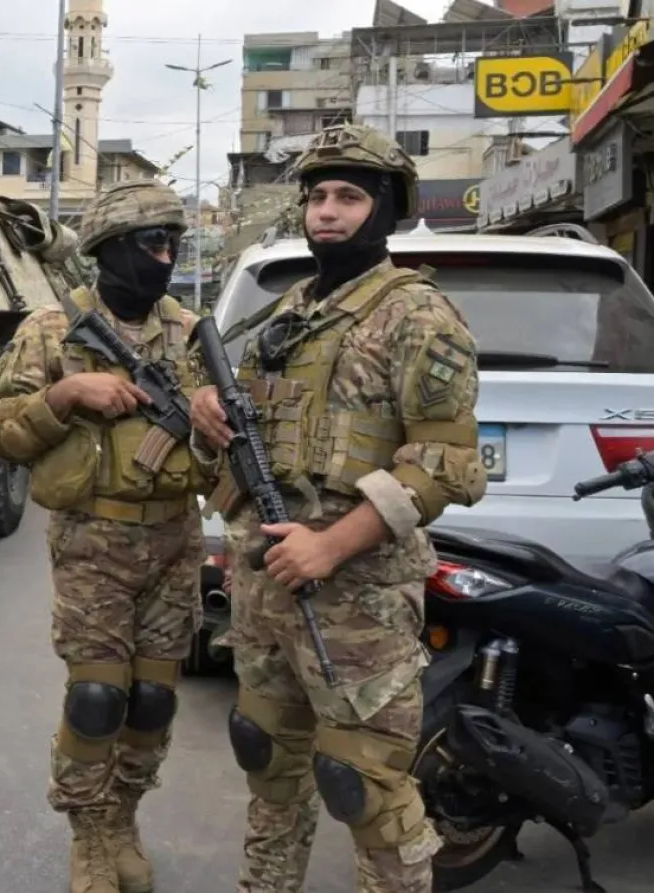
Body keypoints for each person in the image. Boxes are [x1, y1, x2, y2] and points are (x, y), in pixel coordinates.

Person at [187, 123, 487, 893]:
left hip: (355, 596)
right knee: (268, 759)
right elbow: (238, 410)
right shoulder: (283, 315)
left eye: (349, 197)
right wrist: (205, 406)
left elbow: (447, 466)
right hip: (264, 586)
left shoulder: (417, 315)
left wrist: (332, 543)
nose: (327, 211)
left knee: (368, 787)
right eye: (317, 196)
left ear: (386, 210)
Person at [0, 179, 209, 893]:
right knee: (97, 697)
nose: (164, 255)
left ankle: (124, 817)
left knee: (153, 698)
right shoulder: (52, 330)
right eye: (150, 242)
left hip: (175, 538)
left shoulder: (192, 332)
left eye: (172, 242)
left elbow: (231, 431)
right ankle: (88, 834)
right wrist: (64, 395)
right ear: (109, 250)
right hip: (92, 543)